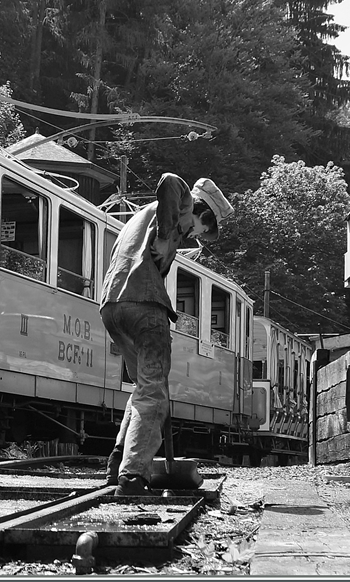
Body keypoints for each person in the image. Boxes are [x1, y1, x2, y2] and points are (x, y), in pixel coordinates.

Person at [99, 173, 235, 495]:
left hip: (112, 306)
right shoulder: (180, 208)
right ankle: (133, 476)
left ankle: (117, 463)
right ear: (203, 214)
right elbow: (170, 181)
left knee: (143, 387)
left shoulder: (138, 218)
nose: (195, 235)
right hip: (144, 306)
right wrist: (164, 236)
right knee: (153, 394)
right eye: (202, 229)